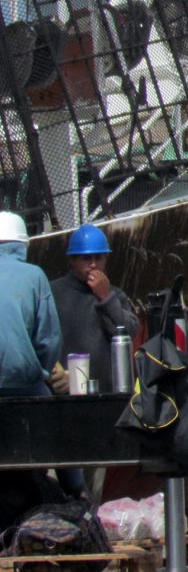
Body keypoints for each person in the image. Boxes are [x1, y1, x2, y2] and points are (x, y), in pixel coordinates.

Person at [0, 211, 82, 497]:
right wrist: (44, 372)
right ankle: (76, 492)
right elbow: (48, 339)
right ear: (23, 245)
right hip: (21, 384)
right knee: (58, 425)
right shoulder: (34, 276)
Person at [50, 224, 139, 394]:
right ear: (72, 260)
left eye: (98, 258)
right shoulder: (53, 293)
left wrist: (106, 298)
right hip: (65, 397)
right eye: (86, 258)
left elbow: (128, 332)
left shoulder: (116, 296)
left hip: (108, 394)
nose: (93, 264)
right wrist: (54, 373)